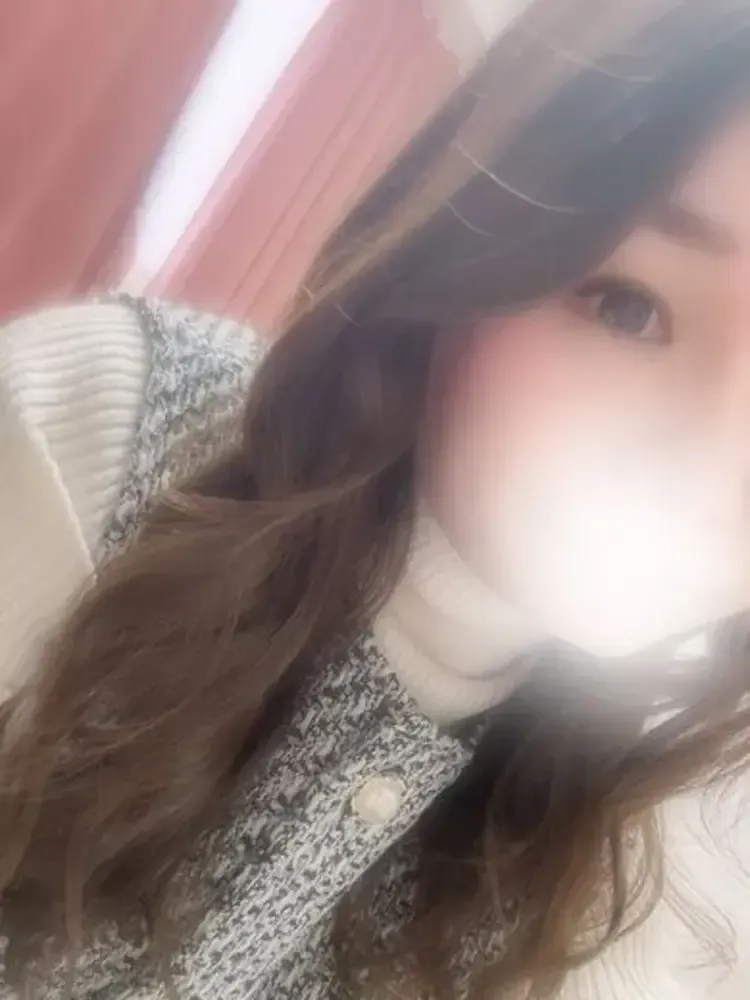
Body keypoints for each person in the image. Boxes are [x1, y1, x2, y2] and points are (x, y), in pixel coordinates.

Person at [2, 0, 750, 997]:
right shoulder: (106, 424)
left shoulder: (636, 888)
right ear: (470, 245)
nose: (712, 459)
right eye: (627, 306)